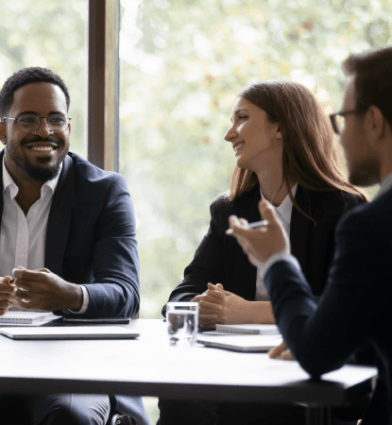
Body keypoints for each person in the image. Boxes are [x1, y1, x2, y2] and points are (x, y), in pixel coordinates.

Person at [159, 81, 367, 424]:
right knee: (180, 400)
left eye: (241, 118)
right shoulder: (228, 211)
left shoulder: (343, 208)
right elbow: (183, 292)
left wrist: (246, 311)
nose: (229, 134)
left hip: (299, 368)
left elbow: (346, 311)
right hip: (234, 367)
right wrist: (199, 307)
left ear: (281, 127)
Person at [229, 46, 392, 425]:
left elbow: (317, 354)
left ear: (374, 122)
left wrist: (276, 260)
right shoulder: (232, 206)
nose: (339, 135)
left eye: (343, 119)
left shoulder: (368, 224)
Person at [0, 67, 149, 425]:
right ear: (2, 129)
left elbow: (126, 294)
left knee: (71, 418)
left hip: (70, 363)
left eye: (56, 119)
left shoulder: (104, 192)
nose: (44, 131)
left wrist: (70, 294)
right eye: (29, 119)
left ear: (68, 128)